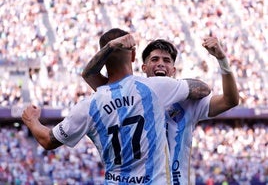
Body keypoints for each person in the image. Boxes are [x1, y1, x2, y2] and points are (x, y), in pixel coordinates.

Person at [21, 28, 209, 184]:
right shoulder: (154, 88)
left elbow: (47, 140)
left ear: (103, 59)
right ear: (134, 55)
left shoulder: (88, 106)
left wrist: (31, 120)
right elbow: (203, 89)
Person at [82, 35, 239, 184]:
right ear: (144, 67)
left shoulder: (188, 103)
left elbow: (229, 100)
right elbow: (90, 75)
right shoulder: (127, 97)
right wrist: (110, 47)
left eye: (167, 60)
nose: (161, 63)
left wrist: (222, 59)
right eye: (154, 59)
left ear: (173, 70)